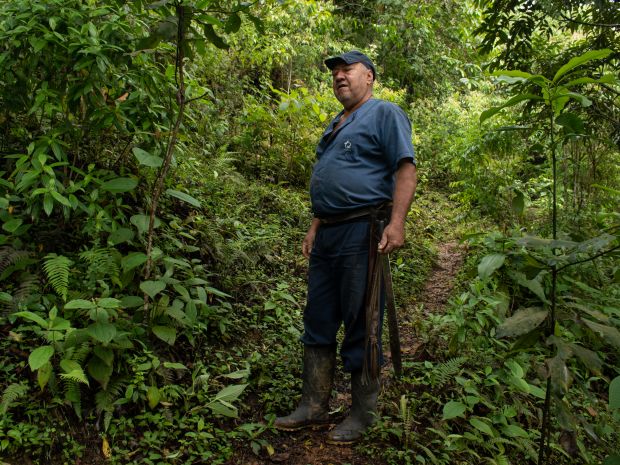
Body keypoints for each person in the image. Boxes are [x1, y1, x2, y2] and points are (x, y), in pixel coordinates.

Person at [274, 51, 417, 444]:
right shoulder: (335, 124)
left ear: (368, 76)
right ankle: (313, 405)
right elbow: (331, 179)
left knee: (362, 319)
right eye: (335, 72)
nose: (339, 76)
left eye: (347, 70)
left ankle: (363, 413)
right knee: (318, 316)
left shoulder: (384, 113)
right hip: (329, 234)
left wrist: (397, 222)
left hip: (363, 232)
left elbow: (406, 168)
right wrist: (314, 226)